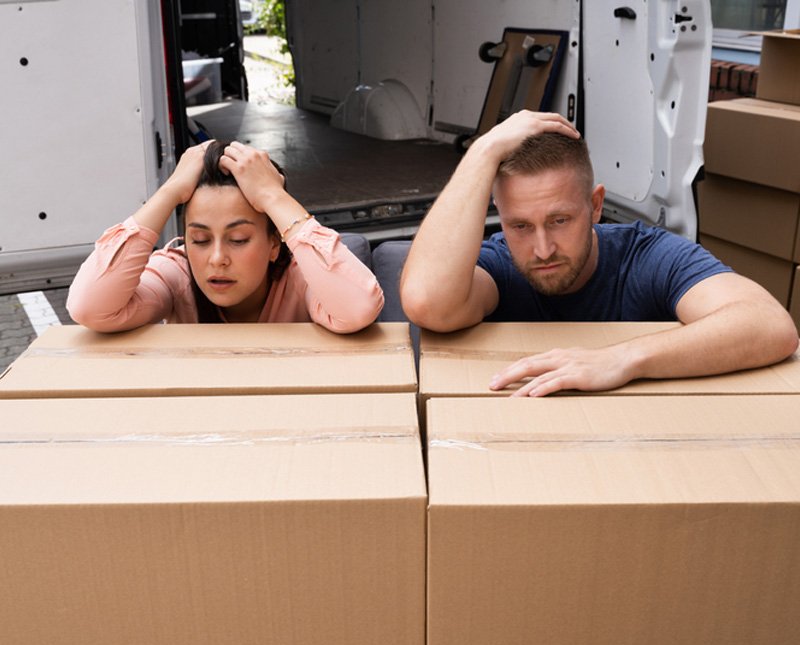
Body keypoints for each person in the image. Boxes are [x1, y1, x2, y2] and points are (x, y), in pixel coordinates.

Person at [399, 110, 799, 396]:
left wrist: (622, 359)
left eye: (559, 220)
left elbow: (768, 325)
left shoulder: (647, 256)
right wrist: (483, 151)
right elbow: (426, 302)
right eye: (520, 226)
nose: (542, 249)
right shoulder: (500, 265)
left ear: (595, 206)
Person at [68, 140, 383, 331]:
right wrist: (170, 191)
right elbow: (89, 308)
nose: (217, 259)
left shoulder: (299, 279)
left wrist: (274, 197)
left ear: (275, 243)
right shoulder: (178, 274)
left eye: (239, 239)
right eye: (200, 240)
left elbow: (358, 309)